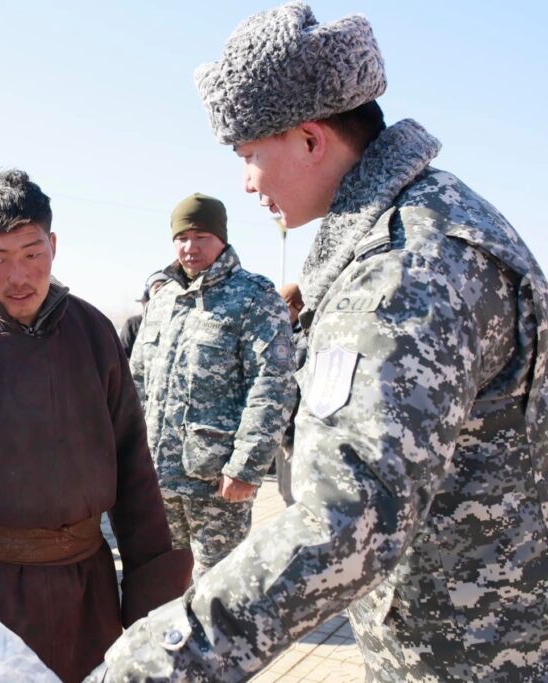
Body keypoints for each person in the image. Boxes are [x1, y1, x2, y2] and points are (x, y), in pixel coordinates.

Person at [93, 4, 548, 681]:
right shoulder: (420, 227)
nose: (248, 182)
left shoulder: (404, 268)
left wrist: (150, 663)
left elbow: (346, 520)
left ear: (310, 140)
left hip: (472, 653)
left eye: (250, 155)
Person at [0, 169, 192, 682]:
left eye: (31, 254)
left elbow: (134, 471)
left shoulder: (94, 334)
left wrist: (153, 610)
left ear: (53, 246)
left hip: (86, 600)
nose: (18, 277)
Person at [130, 193, 295, 579]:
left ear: (221, 238)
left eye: (201, 237)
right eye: (182, 238)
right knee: (162, 582)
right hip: (157, 480)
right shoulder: (163, 300)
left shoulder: (253, 297)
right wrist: (130, 460)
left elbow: (272, 385)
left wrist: (247, 466)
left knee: (217, 588)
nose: (190, 247)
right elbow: (136, 382)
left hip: (216, 483)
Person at [275, 282, 308, 506]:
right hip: (281, 427)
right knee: (284, 489)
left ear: (297, 307)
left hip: (295, 430)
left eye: (284, 307)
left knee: (293, 493)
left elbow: (296, 386)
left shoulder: (305, 338)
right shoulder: (281, 333)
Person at [118, 271, 169, 359]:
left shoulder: (178, 321)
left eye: (164, 288)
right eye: (157, 287)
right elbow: (123, 355)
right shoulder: (133, 323)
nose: (160, 291)